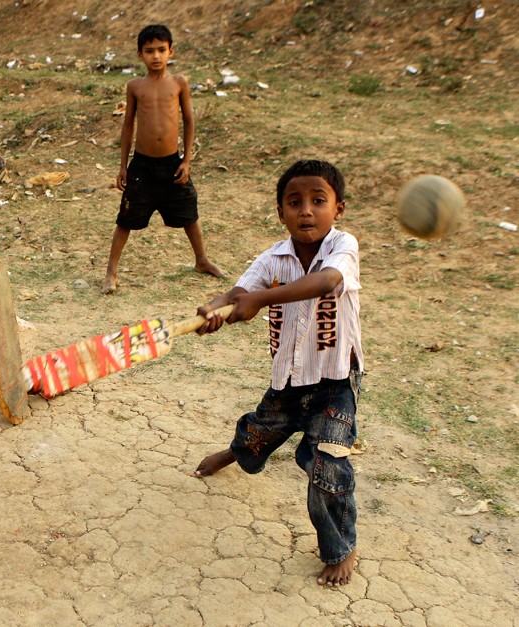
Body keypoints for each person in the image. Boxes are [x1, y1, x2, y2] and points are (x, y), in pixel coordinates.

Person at [192, 159, 363, 587]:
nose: (306, 210)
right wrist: (217, 306)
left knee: (328, 465)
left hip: (335, 381)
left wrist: (263, 301)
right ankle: (236, 453)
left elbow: (326, 283)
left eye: (317, 201)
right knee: (258, 432)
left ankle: (341, 548)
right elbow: (240, 292)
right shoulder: (274, 257)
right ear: (281, 212)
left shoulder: (343, 247)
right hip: (289, 378)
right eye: (295, 202)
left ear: (337, 208)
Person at [103, 24, 222, 294]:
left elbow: (189, 121)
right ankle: (111, 272)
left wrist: (187, 161)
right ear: (139, 54)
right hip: (142, 166)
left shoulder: (179, 83)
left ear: (171, 51)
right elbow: (128, 126)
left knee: (189, 213)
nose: (155, 56)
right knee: (126, 218)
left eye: (160, 50)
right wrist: (123, 165)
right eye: (149, 51)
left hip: (172, 163)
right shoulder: (135, 86)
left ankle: (202, 260)